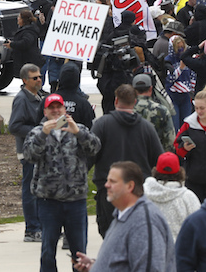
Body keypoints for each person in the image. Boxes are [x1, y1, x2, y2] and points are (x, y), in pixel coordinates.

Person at [23, 93, 101, 272]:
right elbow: (29, 156)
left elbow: (95, 148)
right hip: (48, 201)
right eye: (52, 108)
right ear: (45, 111)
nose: (56, 111)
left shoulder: (78, 128)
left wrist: (78, 132)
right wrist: (44, 134)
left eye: (59, 107)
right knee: (47, 251)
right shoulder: (37, 132)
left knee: (79, 252)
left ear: (65, 110)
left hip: (76, 201)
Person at [72, 162, 175, 272]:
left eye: (113, 181)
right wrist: (95, 266)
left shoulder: (144, 223)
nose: (106, 185)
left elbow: (150, 268)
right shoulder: (122, 215)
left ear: (130, 186)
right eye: (107, 181)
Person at [91, 83, 163, 237]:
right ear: (135, 102)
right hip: (138, 191)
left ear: (116, 101)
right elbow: (159, 160)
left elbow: (89, 156)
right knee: (137, 235)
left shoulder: (102, 125)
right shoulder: (147, 128)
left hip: (109, 191)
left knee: (111, 237)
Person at [9, 63, 46, 243]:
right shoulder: (22, 99)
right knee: (30, 191)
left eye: (39, 76)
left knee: (40, 190)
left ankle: (42, 225)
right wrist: (39, 130)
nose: (39, 79)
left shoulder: (37, 96)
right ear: (25, 80)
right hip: (27, 152)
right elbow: (14, 126)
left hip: (38, 151)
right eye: (35, 78)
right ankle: (31, 229)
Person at [143, 152, 201, 239]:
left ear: (156, 171)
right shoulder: (188, 197)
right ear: (180, 171)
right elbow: (199, 227)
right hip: (180, 250)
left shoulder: (142, 195)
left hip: (150, 248)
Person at [134, 73, 175, 151]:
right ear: (150, 89)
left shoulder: (127, 109)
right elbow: (170, 140)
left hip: (132, 158)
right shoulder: (162, 110)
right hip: (156, 157)